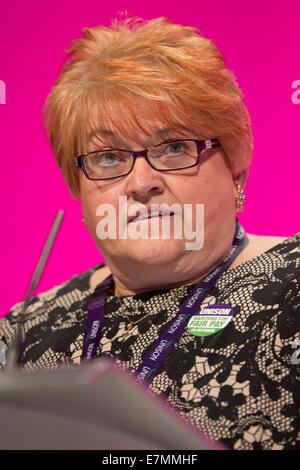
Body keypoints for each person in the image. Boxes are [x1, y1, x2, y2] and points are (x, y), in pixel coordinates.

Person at [1, 16, 299, 450]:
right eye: (108, 157)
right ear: (79, 192)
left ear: (236, 168)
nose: (141, 183)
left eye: (174, 147)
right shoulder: (22, 332)